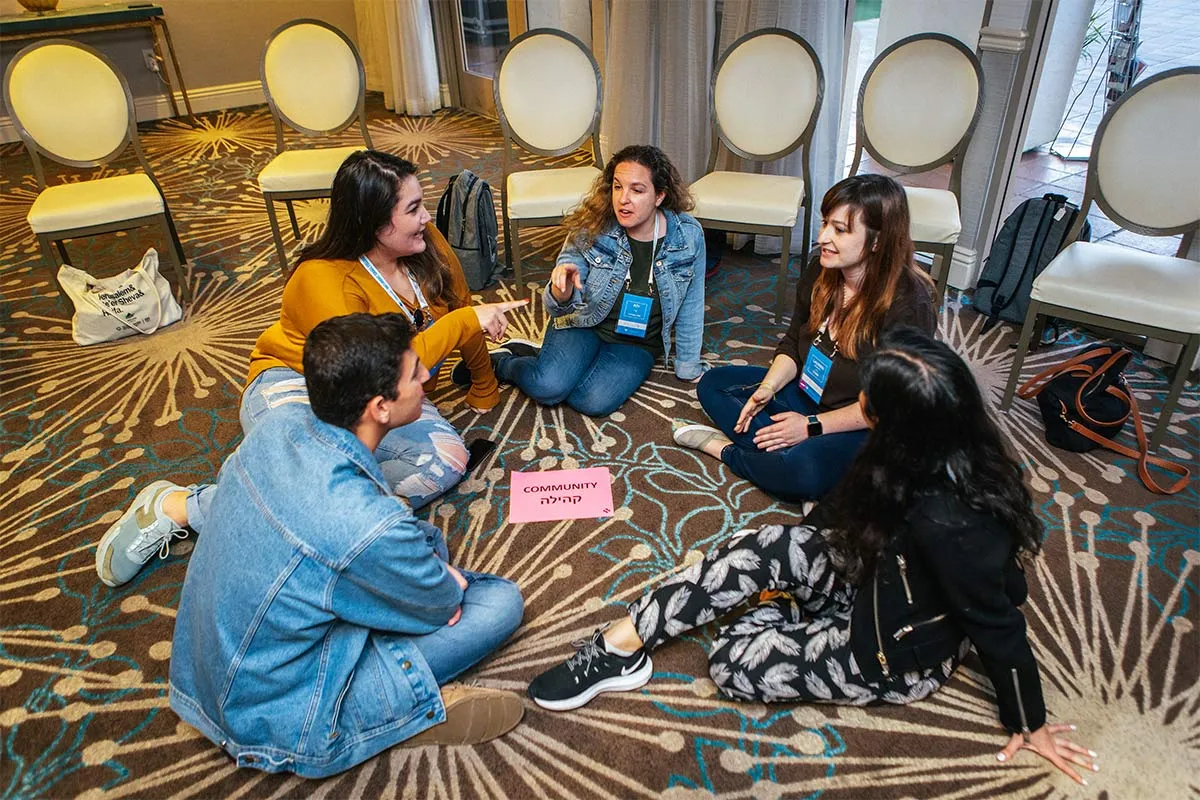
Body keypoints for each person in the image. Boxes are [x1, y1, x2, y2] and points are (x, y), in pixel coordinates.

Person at [528, 327, 1100, 787]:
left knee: (731, 664)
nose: (859, 406)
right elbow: (839, 512)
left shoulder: (956, 520)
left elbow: (999, 619)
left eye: (869, 403)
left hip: (889, 648)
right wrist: (792, 557)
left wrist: (1031, 720)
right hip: (870, 569)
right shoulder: (919, 444)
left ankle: (791, 618)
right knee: (766, 542)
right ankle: (622, 645)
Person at [101, 314, 525, 778]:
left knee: (399, 563)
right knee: (498, 602)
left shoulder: (277, 426)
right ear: (381, 407)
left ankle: (375, 613)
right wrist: (439, 583)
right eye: (414, 373)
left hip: (204, 674)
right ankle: (395, 714)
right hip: (274, 717)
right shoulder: (366, 524)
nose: (427, 377)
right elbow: (442, 604)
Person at [245, 150, 526, 508]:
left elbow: (460, 303)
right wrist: (463, 322)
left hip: (392, 391)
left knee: (447, 462)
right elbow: (373, 375)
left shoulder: (423, 241)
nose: (425, 216)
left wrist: (483, 382)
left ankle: (337, 508)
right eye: (413, 209)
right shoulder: (322, 278)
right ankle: (182, 505)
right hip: (300, 382)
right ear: (374, 224)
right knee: (308, 468)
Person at [673, 174, 936, 503]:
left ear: (877, 241)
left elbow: (888, 406)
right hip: (807, 392)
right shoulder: (821, 271)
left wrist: (810, 426)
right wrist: (767, 389)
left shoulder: (909, 304)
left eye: (840, 230)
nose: (823, 237)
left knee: (802, 472)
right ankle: (790, 455)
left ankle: (727, 451)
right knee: (713, 384)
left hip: (864, 421)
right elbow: (793, 344)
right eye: (826, 223)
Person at [487, 144, 707, 416]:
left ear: (659, 196)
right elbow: (557, 306)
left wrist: (687, 365)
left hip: (637, 341)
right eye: (617, 187)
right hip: (585, 322)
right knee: (548, 388)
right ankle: (503, 363)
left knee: (591, 402)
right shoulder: (594, 224)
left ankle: (551, 359)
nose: (623, 199)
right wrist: (562, 292)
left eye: (637, 190)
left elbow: (692, 304)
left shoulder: (687, 236)